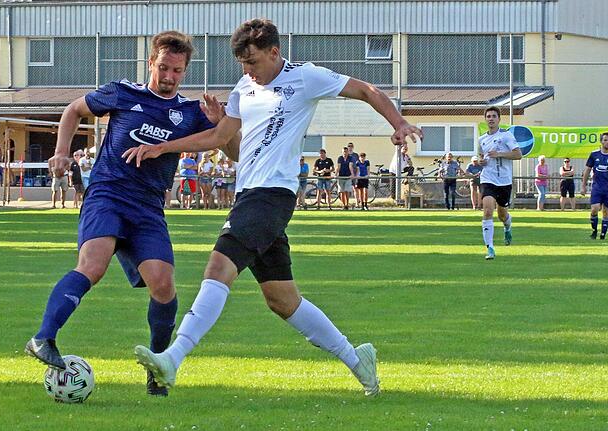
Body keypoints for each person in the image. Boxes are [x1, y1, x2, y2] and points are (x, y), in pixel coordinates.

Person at [124, 18, 422, 396]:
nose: (248, 72)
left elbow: (365, 89)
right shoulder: (243, 89)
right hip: (249, 193)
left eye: (253, 63)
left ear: (274, 53)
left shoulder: (306, 76)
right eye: (242, 65)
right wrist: (214, 128)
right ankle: (356, 357)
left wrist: (397, 122)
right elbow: (225, 142)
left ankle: (174, 357)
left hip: (273, 193)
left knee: (218, 266)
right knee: (282, 299)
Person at [23, 30, 237, 398]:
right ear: (151, 62)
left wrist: (221, 123)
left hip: (148, 207)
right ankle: (43, 338)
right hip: (107, 193)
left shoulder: (190, 113)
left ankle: (157, 367)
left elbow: (232, 152)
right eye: (165, 68)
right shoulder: (123, 93)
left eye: (178, 71)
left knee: (164, 284)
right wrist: (61, 151)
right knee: (92, 265)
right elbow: (74, 110)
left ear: (186, 71)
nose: (170, 77)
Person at [478, 106, 522, 260]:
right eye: (488, 116)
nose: (491, 119)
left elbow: (518, 154)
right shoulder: (482, 139)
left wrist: (500, 154)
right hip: (487, 179)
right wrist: (481, 162)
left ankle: (507, 226)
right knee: (488, 210)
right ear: (485, 119)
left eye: (493, 116)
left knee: (502, 214)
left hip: (504, 180)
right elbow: (481, 158)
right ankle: (490, 248)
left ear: (499, 119)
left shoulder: (506, 136)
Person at [581, 132, 608, 239]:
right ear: (601, 141)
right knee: (594, 209)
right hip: (597, 188)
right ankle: (594, 230)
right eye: (605, 140)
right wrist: (583, 186)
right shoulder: (594, 154)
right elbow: (587, 170)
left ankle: (603, 234)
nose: (607, 142)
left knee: (606, 212)